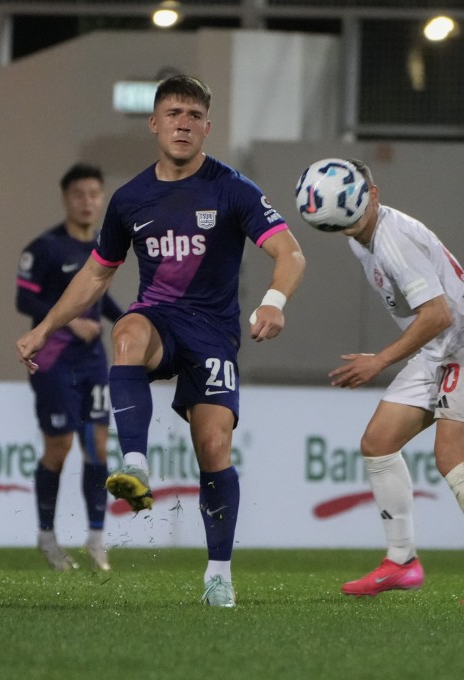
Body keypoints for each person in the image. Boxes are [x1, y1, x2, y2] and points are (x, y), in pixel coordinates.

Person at [16, 75, 305, 607]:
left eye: (194, 116)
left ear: (206, 127)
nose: (183, 124)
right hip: (160, 320)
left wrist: (274, 302)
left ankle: (218, 573)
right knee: (125, 330)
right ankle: (135, 464)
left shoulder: (232, 188)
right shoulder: (130, 199)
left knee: (214, 447)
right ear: (155, 123)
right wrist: (45, 327)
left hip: (214, 334)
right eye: (173, 113)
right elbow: (97, 276)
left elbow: (290, 254)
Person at [323, 158, 464, 605]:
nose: (347, 221)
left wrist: (379, 362)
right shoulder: (362, 237)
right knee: (378, 441)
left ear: (373, 194)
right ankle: (401, 562)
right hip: (439, 349)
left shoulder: (393, 239)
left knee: (452, 457)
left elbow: (438, 313)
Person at [16, 162, 122, 572]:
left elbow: (102, 303)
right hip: (54, 361)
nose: (87, 202)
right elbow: (24, 301)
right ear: (66, 199)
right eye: (79, 194)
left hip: (93, 362)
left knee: (97, 448)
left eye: (94, 194)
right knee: (58, 449)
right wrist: (68, 319)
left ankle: (96, 538)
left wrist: (134, 320)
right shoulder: (44, 249)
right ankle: (47, 536)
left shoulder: (102, 248)